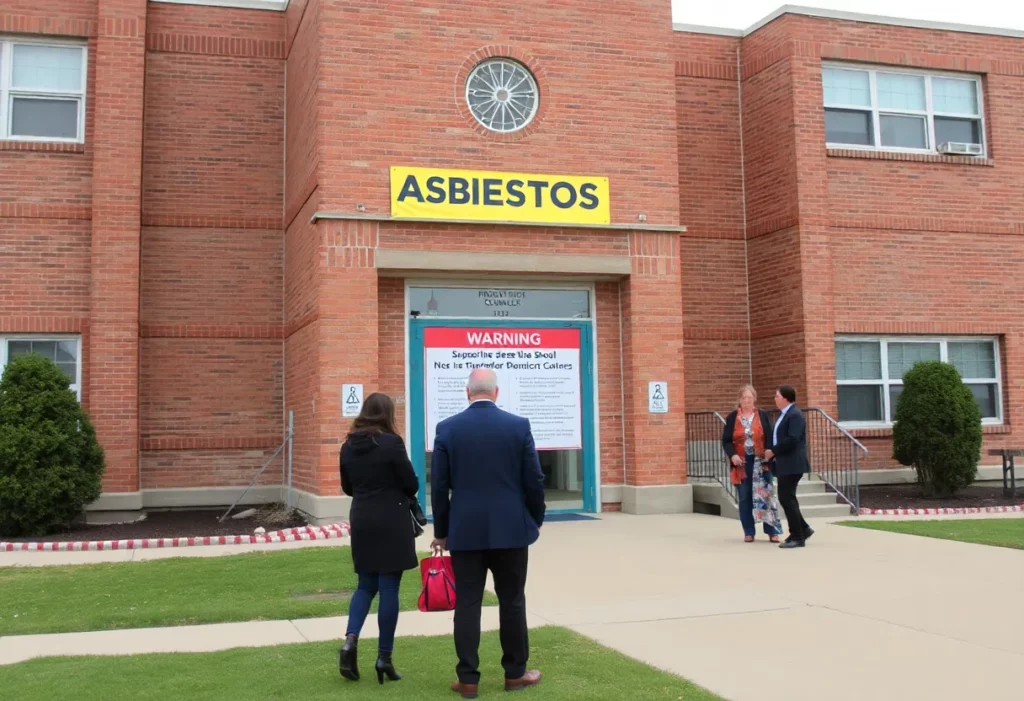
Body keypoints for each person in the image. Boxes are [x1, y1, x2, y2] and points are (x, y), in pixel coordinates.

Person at [431, 368, 547, 699]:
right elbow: (534, 479)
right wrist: (535, 518)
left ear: (468, 392)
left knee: (467, 602)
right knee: (512, 600)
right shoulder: (518, 426)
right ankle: (515, 673)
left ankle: (468, 678)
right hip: (512, 529)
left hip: (464, 531)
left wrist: (441, 531)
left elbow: (439, 487)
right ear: (496, 393)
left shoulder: (447, 429)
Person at [338, 392, 420, 684]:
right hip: (391, 520)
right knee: (389, 588)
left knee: (365, 585)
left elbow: (347, 487)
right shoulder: (391, 443)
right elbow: (412, 483)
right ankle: (384, 657)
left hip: (361, 518)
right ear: (387, 414)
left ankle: (350, 640)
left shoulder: (348, 446)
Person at [721, 385, 783, 543]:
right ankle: (748, 531)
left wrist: (770, 451)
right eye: (743, 398)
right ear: (739, 400)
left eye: (749, 398)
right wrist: (733, 455)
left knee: (767, 496)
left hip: (761, 462)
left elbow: (769, 436)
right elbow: (727, 441)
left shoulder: (762, 415)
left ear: (754, 399)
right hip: (741, 463)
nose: (746, 401)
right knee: (745, 497)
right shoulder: (732, 417)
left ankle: (772, 531)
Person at [764, 385, 814, 549]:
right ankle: (803, 529)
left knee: (787, 498)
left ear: (785, 398)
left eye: (777, 395)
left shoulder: (794, 415)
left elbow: (793, 439)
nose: (775, 398)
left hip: (793, 463)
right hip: (785, 462)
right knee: (787, 498)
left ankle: (798, 537)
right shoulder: (784, 415)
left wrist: (773, 451)